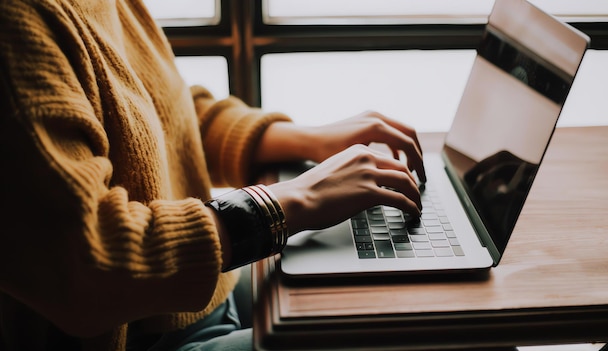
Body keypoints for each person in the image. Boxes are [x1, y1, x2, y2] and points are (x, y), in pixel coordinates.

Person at [0, 0, 426, 350]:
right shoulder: (15, 25)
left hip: (197, 298)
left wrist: (302, 138)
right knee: (392, 337)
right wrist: (290, 200)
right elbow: (87, 267)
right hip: (139, 334)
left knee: (386, 304)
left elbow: (158, 109)